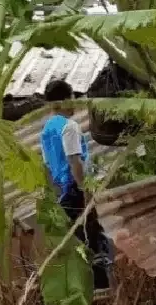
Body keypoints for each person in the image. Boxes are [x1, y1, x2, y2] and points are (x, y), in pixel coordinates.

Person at [40, 79, 112, 288]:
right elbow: (75, 161)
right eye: (71, 99)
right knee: (94, 238)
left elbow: (47, 166)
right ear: (62, 101)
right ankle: (101, 288)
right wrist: (85, 190)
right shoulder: (69, 127)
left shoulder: (46, 130)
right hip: (76, 188)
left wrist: (54, 195)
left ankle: (81, 287)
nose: (74, 104)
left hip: (62, 192)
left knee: (75, 241)